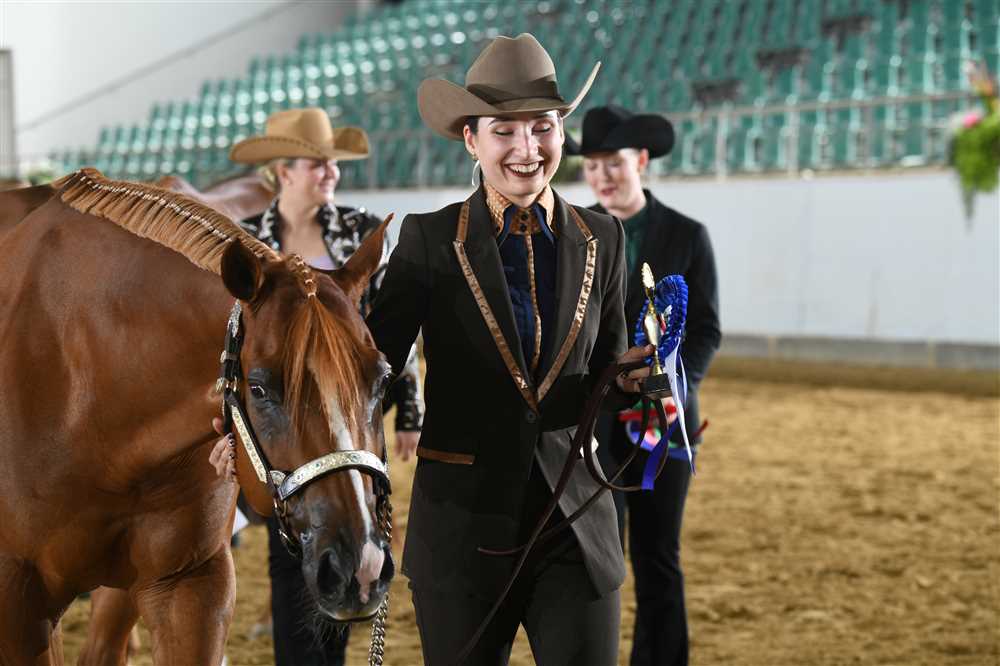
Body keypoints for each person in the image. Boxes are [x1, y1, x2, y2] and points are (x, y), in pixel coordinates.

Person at [362, 34, 655, 665]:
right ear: (471, 139)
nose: (527, 149)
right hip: (460, 530)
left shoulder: (604, 236)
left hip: (575, 525)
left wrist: (632, 381)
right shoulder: (428, 239)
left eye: (543, 128)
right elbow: (371, 372)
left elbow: (605, 370)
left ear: (561, 132)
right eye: (505, 131)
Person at [215, 107, 423, 666]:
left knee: (354, 525)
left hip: (347, 415)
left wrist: (409, 410)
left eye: (333, 162)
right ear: (283, 171)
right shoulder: (247, 241)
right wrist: (225, 428)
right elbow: (229, 346)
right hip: (283, 421)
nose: (330, 171)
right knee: (288, 546)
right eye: (317, 163)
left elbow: (393, 331)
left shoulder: (358, 230)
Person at [570, 104, 721, 666]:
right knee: (597, 556)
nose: (602, 176)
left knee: (658, 556)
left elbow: (705, 329)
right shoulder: (574, 234)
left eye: (613, 163)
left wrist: (673, 384)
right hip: (595, 421)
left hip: (667, 422)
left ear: (640, 161)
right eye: (592, 166)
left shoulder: (688, 235)